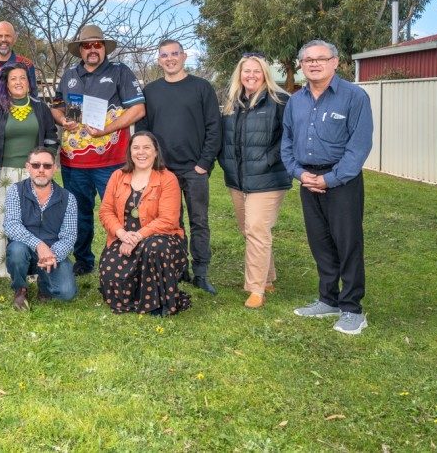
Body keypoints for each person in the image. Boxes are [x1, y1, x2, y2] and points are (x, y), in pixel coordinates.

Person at [281, 39, 373, 335]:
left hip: (341, 182)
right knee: (320, 243)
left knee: (347, 244)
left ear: (335, 62)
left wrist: (329, 179)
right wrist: (299, 173)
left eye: (321, 59)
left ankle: (352, 308)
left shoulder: (354, 97)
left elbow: (358, 147)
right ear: (302, 65)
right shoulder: (296, 100)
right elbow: (286, 143)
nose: (314, 64)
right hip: (308, 180)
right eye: (308, 60)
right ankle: (328, 299)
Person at [50, 24, 146, 276]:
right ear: (80, 50)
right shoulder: (69, 74)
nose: (92, 50)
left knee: (116, 212)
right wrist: (62, 120)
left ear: (104, 48)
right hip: (74, 162)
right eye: (87, 45)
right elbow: (57, 106)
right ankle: (83, 260)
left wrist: (107, 128)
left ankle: (120, 257)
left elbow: (138, 109)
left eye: (97, 45)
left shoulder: (119, 72)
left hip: (110, 161)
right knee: (79, 213)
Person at [136, 39, 221, 295]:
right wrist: (150, 164)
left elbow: (214, 127)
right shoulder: (150, 91)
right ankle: (178, 266)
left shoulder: (201, 88)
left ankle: (201, 272)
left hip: (194, 169)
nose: (170, 59)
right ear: (159, 59)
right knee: (169, 221)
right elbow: (143, 130)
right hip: (163, 170)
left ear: (184, 56)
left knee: (198, 221)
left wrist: (204, 163)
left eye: (175, 54)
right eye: (164, 55)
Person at [218, 53, 292, 309]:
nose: (251, 75)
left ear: (265, 74)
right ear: (240, 74)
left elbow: (289, 137)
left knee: (257, 229)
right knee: (249, 230)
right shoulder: (232, 103)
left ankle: (256, 288)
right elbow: (224, 139)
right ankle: (268, 277)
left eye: (256, 71)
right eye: (246, 71)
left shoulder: (280, 101)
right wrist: (225, 162)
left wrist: (268, 159)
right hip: (237, 178)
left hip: (269, 177)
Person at [98, 131, 191, 316]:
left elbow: (168, 219)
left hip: (160, 239)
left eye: (147, 147)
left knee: (154, 247)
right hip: (124, 237)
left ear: (156, 152)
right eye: (136, 147)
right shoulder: (118, 176)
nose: (141, 152)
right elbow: (105, 211)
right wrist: (122, 234)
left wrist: (137, 237)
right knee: (110, 274)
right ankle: (137, 295)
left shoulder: (167, 178)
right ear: (130, 152)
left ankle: (158, 302)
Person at [0, 63, 58, 277]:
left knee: (31, 221)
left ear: (29, 82)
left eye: (22, 78)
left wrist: (45, 164)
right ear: (6, 83)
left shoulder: (40, 107)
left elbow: (51, 137)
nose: (18, 82)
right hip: (3, 174)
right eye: (13, 78)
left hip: (33, 175)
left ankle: (31, 267)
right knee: (2, 219)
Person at [3, 147, 77, 310]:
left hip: (53, 252)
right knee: (16, 250)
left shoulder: (68, 198)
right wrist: (39, 245)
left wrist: (52, 255)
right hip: (24, 250)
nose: (41, 170)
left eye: (47, 166)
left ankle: (44, 284)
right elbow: (11, 225)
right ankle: (20, 289)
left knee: (67, 293)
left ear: (55, 169)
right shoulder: (16, 190)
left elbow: (69, 236)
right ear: (28, 167)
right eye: (36, 165)